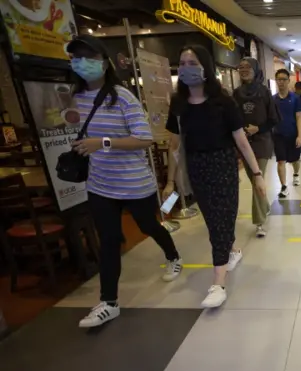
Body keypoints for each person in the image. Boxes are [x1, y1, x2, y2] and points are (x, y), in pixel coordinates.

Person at [67, 35, 183, 328]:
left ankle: (173, 255)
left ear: (105, 64)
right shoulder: (75, 98)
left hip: (134, 183)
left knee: (148, 226)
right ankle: (109, 302)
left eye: (89, 58)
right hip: (99, 184)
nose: (82, 64)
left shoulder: (122, 97)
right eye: (76, 58)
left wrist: (102, 143)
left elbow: (144, 138)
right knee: (108, 241)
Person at [163, 45, 266, 308]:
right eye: (182, 63)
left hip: (223, 166)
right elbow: (174, 146)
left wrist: (256, 174)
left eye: (192, 62)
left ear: (205, 67)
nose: (186, 68)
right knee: (214, 221)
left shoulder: (224, 101)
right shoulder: (177, 104)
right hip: (197, 168)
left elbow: (241, 142)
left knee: (222, 221)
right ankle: (231, 250)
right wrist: (170, 182)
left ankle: (218, 282)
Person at [233, 57, 279, 238]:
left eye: (247, 67)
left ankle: (259, 222)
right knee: (254, 180)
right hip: (244, 143)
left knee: (257, 177)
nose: (244, 70)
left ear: (255, 69)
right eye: (241, 67)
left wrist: (257, 128)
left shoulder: (264, 92)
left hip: (262, 142)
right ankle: (265, 206)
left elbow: (274, 119)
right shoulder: (236, 94)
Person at [273, 69, 301, 198]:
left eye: (283, 79)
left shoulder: (295, 98)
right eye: (278, 79)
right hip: (278, 135)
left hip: (293, 134)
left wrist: (299, 136)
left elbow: (298, 118)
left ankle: (296, 174)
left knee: (295, 160)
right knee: (281, 161)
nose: (281, 82)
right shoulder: (272, 99)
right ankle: (284, 186)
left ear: (288, 81)